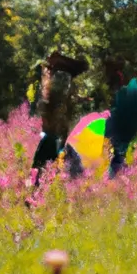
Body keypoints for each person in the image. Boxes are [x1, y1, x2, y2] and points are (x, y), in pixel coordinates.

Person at [30, 51, 89, 185]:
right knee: (46, 168)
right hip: (54, 138)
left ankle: (38, 190)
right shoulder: (58, 86)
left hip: (55, 138)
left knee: (47, 168)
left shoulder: (57, 84)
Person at [106, 74, 137, 179]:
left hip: (116, 126)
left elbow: (114, 107)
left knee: (115, 151)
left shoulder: (121, 91)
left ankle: (111, 176)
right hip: (131, 128)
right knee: (124, 152)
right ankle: (120, 177)